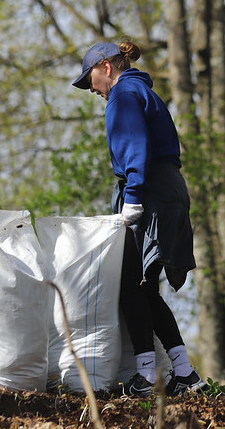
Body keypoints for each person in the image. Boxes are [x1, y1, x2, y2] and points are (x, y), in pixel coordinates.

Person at [72, 40, 206, 397]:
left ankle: (148, 376)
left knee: (130, 284)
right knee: (143, 285)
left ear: (106, 67)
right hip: (165, 189)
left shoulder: (124, 94)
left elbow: (134, 145)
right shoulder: (141, 90)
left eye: (91, 81)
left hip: (149, 193)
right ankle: (184, 373)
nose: (93, 91)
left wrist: (131, 200)